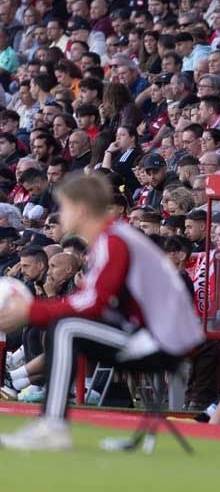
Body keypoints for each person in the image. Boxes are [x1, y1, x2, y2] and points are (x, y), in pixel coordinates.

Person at [0, 172, 204, 451]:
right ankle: (51, 418)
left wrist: (31, 311)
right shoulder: (113, 238)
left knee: (67, 326)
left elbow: (92, 303)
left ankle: (52, 425)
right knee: (68, 324)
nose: (61, 215)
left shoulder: (113, 241)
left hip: (163, 345)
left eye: (64, 207)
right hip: (157, 338)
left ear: (80, 209)